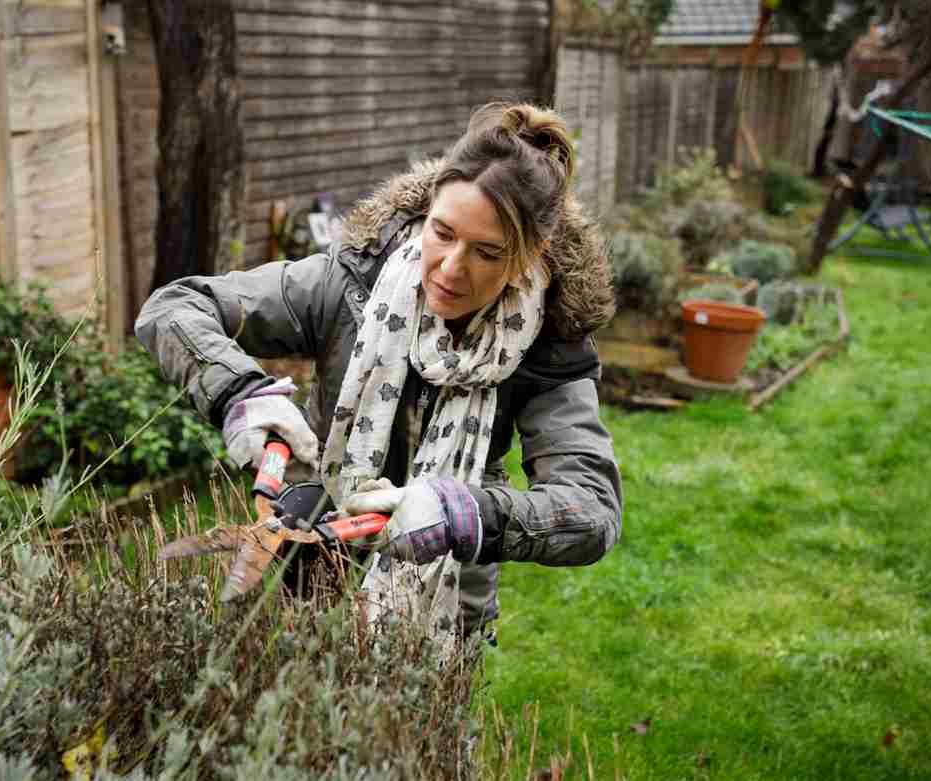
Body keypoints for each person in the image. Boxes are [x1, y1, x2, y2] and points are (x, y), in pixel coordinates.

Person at [136, 103, 622, 638]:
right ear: (428, 208)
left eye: (487, 252)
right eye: (442, 232)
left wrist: (463, 513)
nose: (452, 269)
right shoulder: (349, 286)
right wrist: (241, 393)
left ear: (533, 253)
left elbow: (592, 513)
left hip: (446, 612)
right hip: (314, 578)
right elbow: (174, 307)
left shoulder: (549, 342)